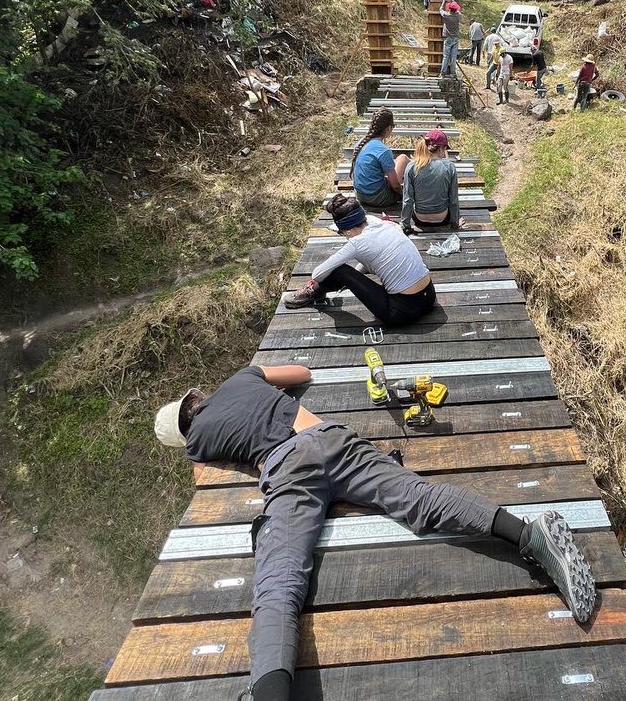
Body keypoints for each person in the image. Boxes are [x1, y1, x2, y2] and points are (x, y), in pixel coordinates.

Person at [153, 365, 597, 701]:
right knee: (419, 499)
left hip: (288, 473)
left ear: (182, 434)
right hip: (331, 439)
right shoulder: (241, 377)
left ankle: (269, 694)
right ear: (195, 397)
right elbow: (302, 374)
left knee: (279, 583)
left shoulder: (197, 444)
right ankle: (528, 534)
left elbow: (216, 465)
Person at [286, 193, 436, 325]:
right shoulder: (386, 225)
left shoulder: (357, 243)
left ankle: (312, 291)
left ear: (349, 230)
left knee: (341, 270)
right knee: (356, 271)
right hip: (429, 298)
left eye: (342, 233)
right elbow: (372, 259)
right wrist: (355, 278)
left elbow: (317, 274)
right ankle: (317, 290)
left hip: (402, 313)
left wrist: (345, 279)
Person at [401, 128, 460, 231]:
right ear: (442, 148)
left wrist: (405, 225)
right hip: (443, 218)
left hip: (419, 219)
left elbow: (408, 200)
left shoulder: (412, 166)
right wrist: (455, 223)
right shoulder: (449, 166)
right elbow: (453, 200)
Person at [350, 108, 409, 208]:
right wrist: (402, 194)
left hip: (360, 195)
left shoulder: (360, 143)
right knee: (403, 158)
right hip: (377, 198)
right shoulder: (383, 150)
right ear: (388, 128)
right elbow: (395, 186)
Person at [440, 0, 461, 77]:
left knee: (446, 56)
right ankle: (453, 73)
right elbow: (459, 11)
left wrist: (443, 2)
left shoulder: (447, 16)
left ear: (450, 9)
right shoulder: (458, 16)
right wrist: (453, 2)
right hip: (455, 38)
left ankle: (443, 72)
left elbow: (441, 10)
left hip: (448, 38)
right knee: (453, 57)